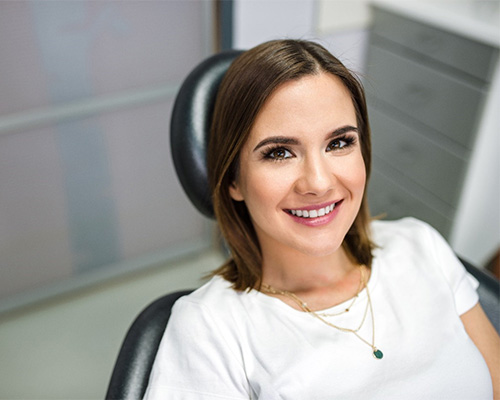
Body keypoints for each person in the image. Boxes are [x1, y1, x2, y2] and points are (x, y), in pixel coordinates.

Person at [144, 39, 499, 399]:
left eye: (339, 143)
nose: (319, 182)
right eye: (280, 152)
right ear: (233, 178)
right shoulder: (208, 328)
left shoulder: (421, 246)